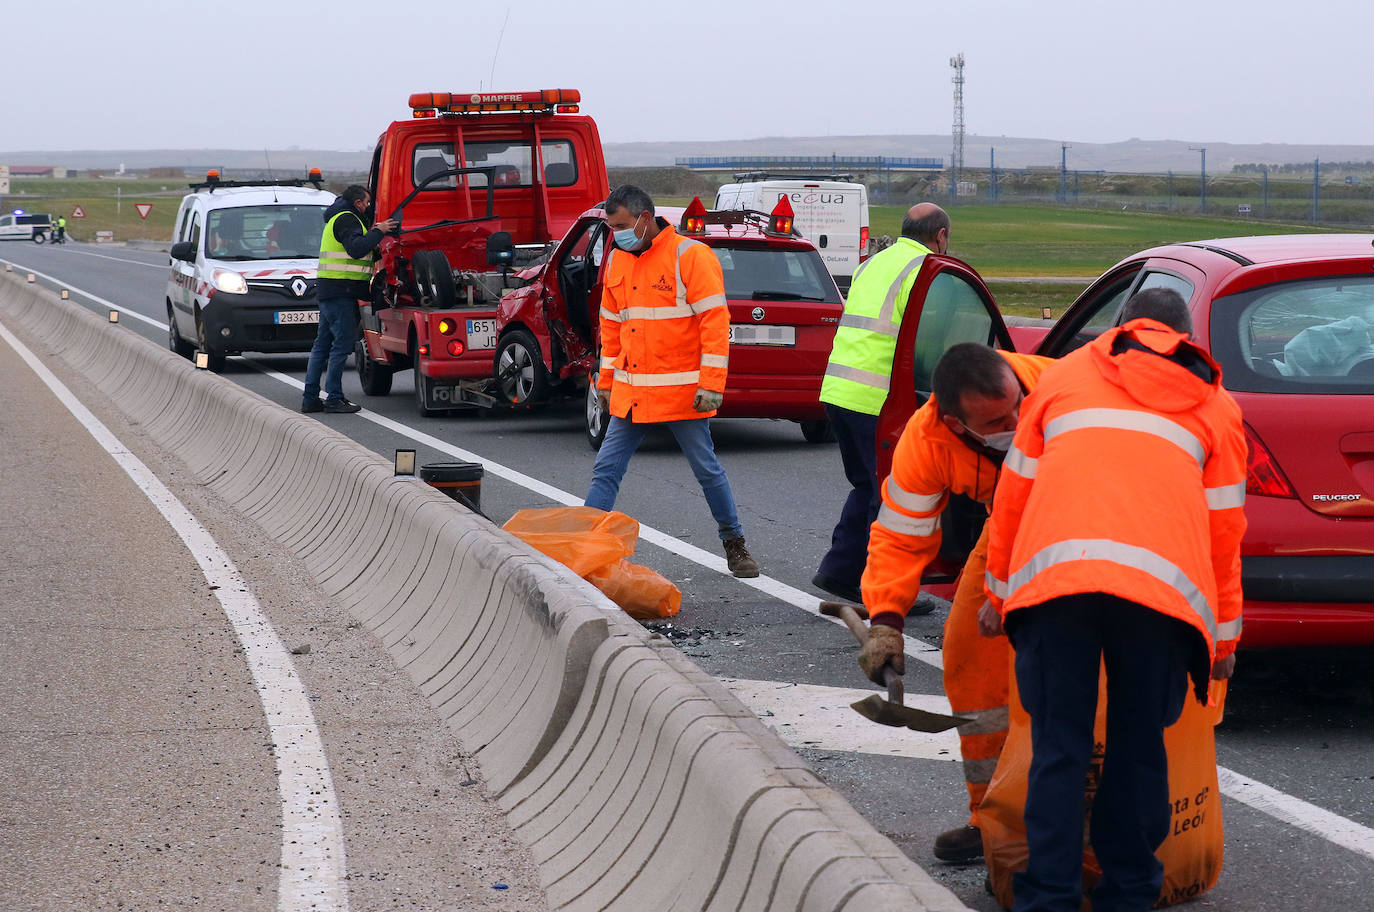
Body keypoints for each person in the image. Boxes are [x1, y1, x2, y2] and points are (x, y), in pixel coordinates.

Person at [982, 288, 1246, 912]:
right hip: (1160, 602)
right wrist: (1225, 638)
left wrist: (998, 593)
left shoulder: (1062, 378)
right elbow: (1224, 533)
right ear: (1186, 339)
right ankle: (1129, 893)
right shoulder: (1216, 406)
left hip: (1056, 587)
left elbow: (1013, 496)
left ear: (1120, 329)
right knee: (1137, 747)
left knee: (1060, 744)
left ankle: (1048, 896)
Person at [857, 342, 1053, 862]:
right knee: (970, 656)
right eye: (996, 420)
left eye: (1017, 406)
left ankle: (1072, 820)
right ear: (954, 421)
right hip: (1009, 526)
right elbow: (900, 536)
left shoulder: (1058, 388)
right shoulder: (927, 443)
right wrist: (885, 620)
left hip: (1085, 521)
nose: (1016, 420)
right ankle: (994, 819)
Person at [585, 184, 759, 578]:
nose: (617, 234)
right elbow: (611, 327)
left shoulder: (690, 255)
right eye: (611, 227)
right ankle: (584, 544)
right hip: (631, 392)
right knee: (605, 469)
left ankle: (735, 544)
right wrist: (607, 380)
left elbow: (715, 323)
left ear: (645, 219)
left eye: (622, 225)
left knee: (706, 469)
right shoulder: (617, 261)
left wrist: (711, 384)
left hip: (682, 393)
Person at [813, 203, 951, 604]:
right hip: (877, 399)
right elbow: (927, 342)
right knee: (892, 495)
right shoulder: (926, 270)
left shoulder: (872, 264)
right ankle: (886, 593)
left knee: (867, 484)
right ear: (940, 235)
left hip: (838, 391)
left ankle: (840, 572)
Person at [303, 185, 396, 414]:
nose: (368, 207)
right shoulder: (347, 219)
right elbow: (355, 249)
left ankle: (311, 398)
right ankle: (333, 398)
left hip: (331, 291)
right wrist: (379, 231)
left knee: (322, 346)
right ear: (357, 203)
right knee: (341, 345)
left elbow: (357, 249)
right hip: (339, 293)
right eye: (366, 203)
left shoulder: (340, 218)